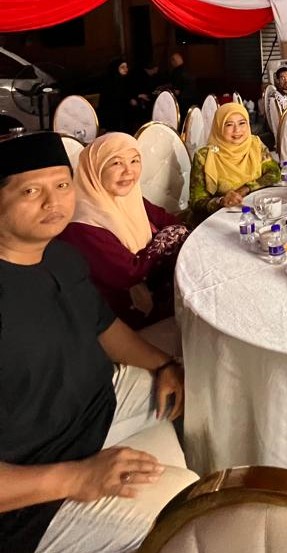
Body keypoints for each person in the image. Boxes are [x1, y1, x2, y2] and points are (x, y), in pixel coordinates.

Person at [0, 131, 193, 553]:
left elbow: (104, 327)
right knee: (190, 510)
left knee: (204, 385)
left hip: (97, 408)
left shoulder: (59, 256)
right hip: (33, 494)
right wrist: (75, 477)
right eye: (31, 191)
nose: (53, 202)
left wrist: (163, 364)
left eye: (62, 185)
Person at [58, 133, 189, 330]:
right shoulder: (81, 225)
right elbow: (129, 272)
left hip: (160, 293)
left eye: (135, 161)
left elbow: (170, 221)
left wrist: (173, 232)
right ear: (95, 169)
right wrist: (169, 238)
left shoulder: (130, 198)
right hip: (119, 322)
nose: (129, 171)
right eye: (116, 163)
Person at [189, 102, 280, 225]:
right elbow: (196, 202)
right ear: (219, 127)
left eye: (242, 123)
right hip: (223, 220)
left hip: (257, 212)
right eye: (229, 124)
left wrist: (246, 188)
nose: (237, 130)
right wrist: (221, 201)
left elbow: (274, 173)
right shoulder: (204, 156)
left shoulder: (255, 144)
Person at [97, 58, 138, 133]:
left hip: (126, 118)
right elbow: (105, 105)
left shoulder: (127, 80)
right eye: (122, 67)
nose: (126, 69)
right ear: (115, 69)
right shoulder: (109, 84)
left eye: (126, 67)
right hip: (113, 119)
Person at [169, 52, 197, 122]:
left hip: (182, 101)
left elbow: (177, 91)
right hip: (193, 99)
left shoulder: (176, 72)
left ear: (174, 61)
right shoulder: (189, 69)